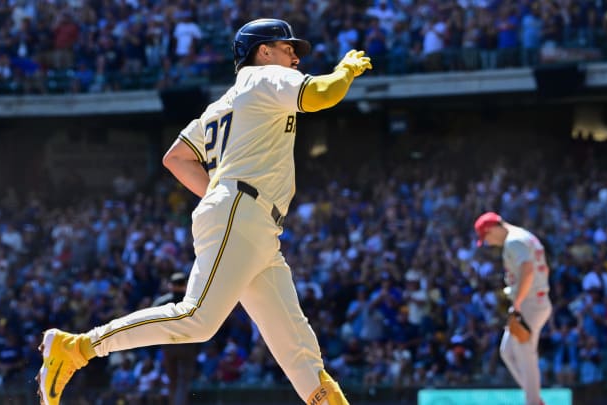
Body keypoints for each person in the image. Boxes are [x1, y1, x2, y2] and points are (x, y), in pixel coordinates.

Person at [36, 18, 372, 405]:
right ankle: (76, 348)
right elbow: (321, 95)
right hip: (243, 210)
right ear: (263, 52)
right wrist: (345, 70)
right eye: (287, 48)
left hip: (251, 221)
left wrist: (220, 194)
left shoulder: (225, 104)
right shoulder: (262, 79)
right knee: (196, 319)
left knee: (301, 357)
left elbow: (176, 158)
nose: (295, 56)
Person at [474, 212, 552, 405]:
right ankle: (535, 399)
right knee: (508, 351)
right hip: (535, 299)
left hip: (529, 303)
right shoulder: (525, 235)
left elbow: (527, 269)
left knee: (525, 354)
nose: (489, 243)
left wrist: (518, 303)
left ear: (492, 228)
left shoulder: (513, 241)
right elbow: (545, 269)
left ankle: (533, 402)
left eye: (487, 237)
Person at [151, 272, 200, 405]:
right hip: (188, 345)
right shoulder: (191, 301)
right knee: (184, 382)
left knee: (172, 381)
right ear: (185, 285)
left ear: (170, 285)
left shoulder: (161, 302)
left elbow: (152, 324)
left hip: (168, 345)